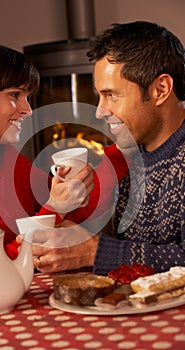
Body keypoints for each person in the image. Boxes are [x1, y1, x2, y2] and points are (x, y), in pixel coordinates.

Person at [0, 41, 128, 272]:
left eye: (27, 96)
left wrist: (125, 150)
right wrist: (56, 207)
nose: (28, 110)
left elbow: (74, 215)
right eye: (15, 94)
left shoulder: (9, 162)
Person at [85, 20, 185, 274]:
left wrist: (93, 252)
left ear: (160, 90)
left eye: (111, 95)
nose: (99, 111)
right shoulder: (131, 159)